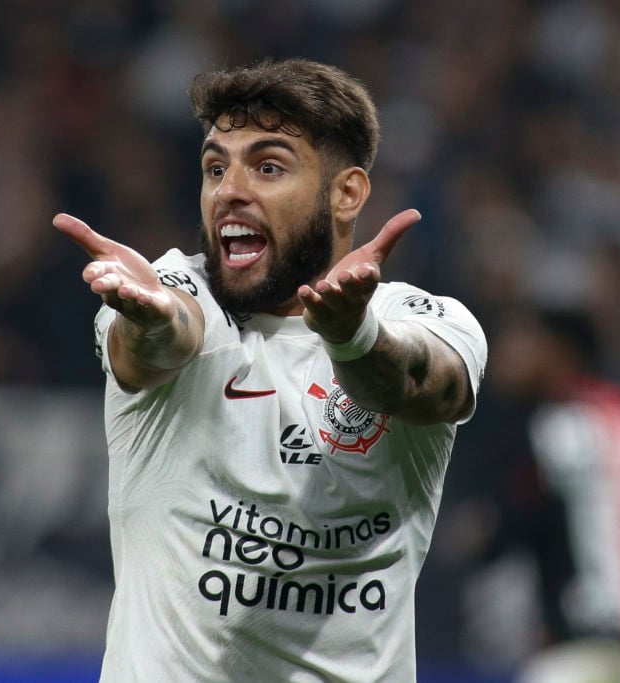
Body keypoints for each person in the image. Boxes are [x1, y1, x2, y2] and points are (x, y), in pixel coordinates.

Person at [54, 58, 487, 681]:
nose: (230, 188)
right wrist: (149, 321)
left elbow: (423, 383)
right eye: (215, 167)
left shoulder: (417, 316)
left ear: (347, 194)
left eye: (268, 166)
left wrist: (352, 337)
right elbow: (157, 340)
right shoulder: (172, 287)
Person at [478, 306, 620, 683]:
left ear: (561, 353)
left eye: (524, 341)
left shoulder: (555, 425)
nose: (506, 354)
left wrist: (483, 534)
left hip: (580, 645)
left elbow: (522, 525)